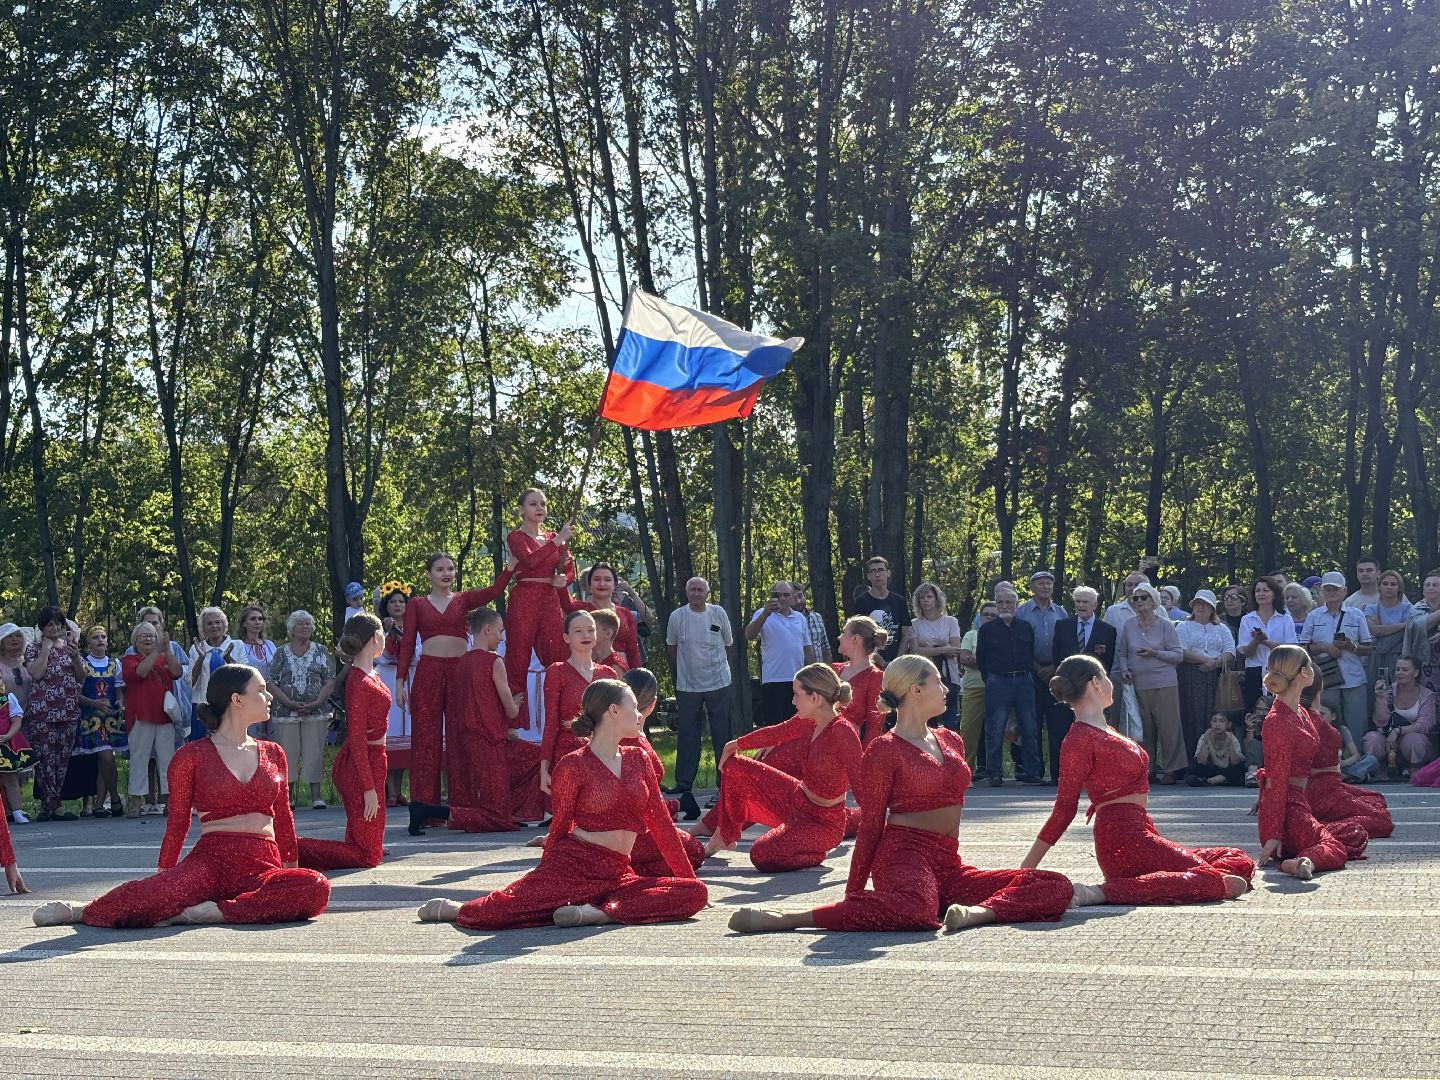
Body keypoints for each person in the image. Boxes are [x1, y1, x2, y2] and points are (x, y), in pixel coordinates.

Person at [727, 656, 1074, 934]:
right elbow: (872, 823)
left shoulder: (950, 739)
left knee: (1054, 885)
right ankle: (790, 918)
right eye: (938, 681)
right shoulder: (884, 749)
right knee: (918, 910)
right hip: (903, 856)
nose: (946, 688)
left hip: (948, 863)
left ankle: (977, 914)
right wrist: (854, 894)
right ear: (915, 690)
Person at [33, 664, 331, 928]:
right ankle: (83, 910)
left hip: (263, 865)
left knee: (315, 886)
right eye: (262, 690)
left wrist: (289, 869)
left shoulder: (274, 752)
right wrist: (162, 878)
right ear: (237, 700)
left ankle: (212, 913)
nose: (269, 697)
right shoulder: (191, 756)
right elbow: (177, 823)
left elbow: (284, 817)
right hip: (210, 862)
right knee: (146, 899)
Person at [417, 679, 707, 930]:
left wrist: (686, 876)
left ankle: (601, 913)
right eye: (634, 706)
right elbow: (560, 825)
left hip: (618, 871)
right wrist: (541, 877)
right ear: (614, 711)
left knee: (695, 892)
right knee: (497, 913)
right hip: (573, 866)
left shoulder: (638, 759)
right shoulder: (573, 765)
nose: (640, 714)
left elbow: (662, 827)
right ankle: (457, 909)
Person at [1024, 656, 1253, 903]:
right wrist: (1026, 868)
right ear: (1095, 683)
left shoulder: (1107, 730)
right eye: (1106, 677)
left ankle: (1162, 882)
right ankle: (1100, 893)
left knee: (1236, 858)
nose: (1111, 683)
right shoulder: (1078, 738)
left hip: (1143, 833)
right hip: (1121, 840)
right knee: (1209, 881)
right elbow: (1064, 809)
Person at [698, 664, 862, 871]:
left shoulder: (843, 732)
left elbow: (861, 783)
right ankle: (724, 835)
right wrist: (735, 744)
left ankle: (815, 852)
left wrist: (873, 839)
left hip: (823, 824)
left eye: (796, 694)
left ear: (815, 698)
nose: (792, 701)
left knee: (761, 854)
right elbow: (777, 732)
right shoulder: (808, 720)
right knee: (734, 765)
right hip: (796, 800)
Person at [395, 551, 515, 807]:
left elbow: (493, 592)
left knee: (461, 735)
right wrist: (399, 681)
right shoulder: (417, 603)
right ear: (428, 574)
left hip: (460, 672)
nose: (446, 573)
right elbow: (407, 643)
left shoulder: (463, 600)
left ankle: (463, 804)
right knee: (425, 738)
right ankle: (424, 806)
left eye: (450, 569)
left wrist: (510, 568)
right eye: (439, 569)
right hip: (428, 671)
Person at [409, 608, 541, 834]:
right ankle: (428, 811)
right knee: (499, 818)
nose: (501, 637)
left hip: (469, 740)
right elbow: (510, 711)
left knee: (530, 758)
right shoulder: (494, 661)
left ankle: (507, 811)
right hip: (491, 741)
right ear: (487, 630)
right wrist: (517, 702)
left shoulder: (462, 662)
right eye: (500, 631)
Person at [1253, 645, 1366, 879]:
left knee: (1354, 833)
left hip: (1301, 802)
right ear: (1304, 673)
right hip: (1288, 809)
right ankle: (1299, 861)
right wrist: (1273, 834)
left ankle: (1300, 855)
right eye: (1310, 665)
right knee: (1335, 848)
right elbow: (1276, 778)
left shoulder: (1301, 713)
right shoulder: (1277, 720)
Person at [297, 614, 389, 870]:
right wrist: (368, 788)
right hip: (360, 766)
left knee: (370, 848)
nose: (385, 639)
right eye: (383, 633)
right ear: (374, 638)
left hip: (374, 760)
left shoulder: (370, 673)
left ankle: (362, 842)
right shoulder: (358, 681)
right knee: (368, 857)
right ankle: (292, 847)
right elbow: (357, 737)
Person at [615, 667, 704, 875]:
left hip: (623, 826)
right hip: (636, 830)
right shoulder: (633, 742)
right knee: (695, 852)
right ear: (653, 703)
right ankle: (632, 866)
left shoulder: (619, 733)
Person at [665, 577, 734, 821]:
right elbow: (671, 648)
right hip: (688, 685)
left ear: (707, 592)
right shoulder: (677, 617)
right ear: (686, 592)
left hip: (719, 682)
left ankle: (725, 781)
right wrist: (686, 670)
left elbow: (728, 644)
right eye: (692, 589)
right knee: (687, 733)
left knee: (722, 733)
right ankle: (683, 784)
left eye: (700, 589)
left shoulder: (718, 613)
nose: (696, 593)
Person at [502, 487, 576, 695]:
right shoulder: (515, 537)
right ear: (522, 510)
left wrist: (564, 579)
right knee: (518, 653)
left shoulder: (554, 537)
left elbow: (571, 570)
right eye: (533, 504)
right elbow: (531, 560)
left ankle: (562, 705)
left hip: (550, 599)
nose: (540, 508)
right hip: (524, 597)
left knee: (557, 650)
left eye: (542, 504)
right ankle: (515, 715)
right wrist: (558, 539)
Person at [1114, 585, 1186, 784]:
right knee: (1143, 729)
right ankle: (1147, 768)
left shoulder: (1165, 625)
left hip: (1164, 682)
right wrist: (1125, 669)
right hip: (1137, 683)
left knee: (1169, 727)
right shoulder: (1129, 625)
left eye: (1143, 598)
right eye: (1134, 599)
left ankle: (1173, 769)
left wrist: (1156, 653)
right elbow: (1122, 652)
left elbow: (1177, 655)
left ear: (1154, 601)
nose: (1138, 602)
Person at [266, 611, 335, 810]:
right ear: (292, 629)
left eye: (308, 624)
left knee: (314, 752)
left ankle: (316, 796)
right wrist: (288, 702)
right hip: (286, 712)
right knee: (287, 754)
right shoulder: (280, 652)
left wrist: (317, 701)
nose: (305, 627)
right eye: (300, 624)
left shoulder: (320, 650)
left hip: (316, 710)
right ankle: (287, 797)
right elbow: (271, 682)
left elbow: (329, 679)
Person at [1050, 587, 1118, 784]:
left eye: (1085, 602)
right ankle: (1060, 775)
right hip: (1068, 690)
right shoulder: (1062, 626)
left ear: (1095, 605)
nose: (1081, 605)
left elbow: (1107, 663)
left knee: (1094, 733)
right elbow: (1057, 658)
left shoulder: (1107, 631)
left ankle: (1094, 775)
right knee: (1061, 731)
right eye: (1078, 601)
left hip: (1092, 692)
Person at [976, 588, 1044, 786]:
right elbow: (982, 659)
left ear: (1016, 605)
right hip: (998, 681)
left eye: (1009, 603)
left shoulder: (1025, 627)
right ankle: (994, 773)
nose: (1005, 606)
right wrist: (991, 679)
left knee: (1030, 727)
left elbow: (1030, 653)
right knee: (995, 728)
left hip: (1024, 681)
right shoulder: (987, 630)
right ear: (996, 605)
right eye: (1001, 603)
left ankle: (1033, 772)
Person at [23, 607, 85, 821]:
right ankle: (55, 806)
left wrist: (76, 658)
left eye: (58, 624)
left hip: (67, 711)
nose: (55, 628)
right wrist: (46, 650)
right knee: (44, 760)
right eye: (50, 624)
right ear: (42, 627)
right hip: (42, 713)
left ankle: (48, 805)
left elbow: (80, 678)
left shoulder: (70, 647)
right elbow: (36, 674)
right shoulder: (33, 648)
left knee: (61, 760)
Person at [1299, 571, 1373, 749]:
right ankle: (1326, 762)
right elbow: (1302, 648)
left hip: (1353, 677)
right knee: (1323, 721)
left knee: (1357, 723)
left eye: (1335, 589)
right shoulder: (1313, 616)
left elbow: (1368, 648)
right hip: (1325, 678)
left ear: (1344, 591)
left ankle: (1358, 765)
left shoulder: (1357, 615)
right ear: (1322, 591)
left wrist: (1350, 646)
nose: (1331, 592)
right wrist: (1324, 647)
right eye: (1327, 589)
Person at [122, 622, 184, 817]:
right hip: (140, 715)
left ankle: (170, 800)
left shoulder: (164, 657)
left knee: (168, 760)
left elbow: (177, 672)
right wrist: (156, 652)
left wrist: (168, 651)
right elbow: (139, 673)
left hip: (164, 716)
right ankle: (136, 801)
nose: (148, 639)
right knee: (139, 759)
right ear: (135, 640)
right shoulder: (129, 659)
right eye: (144, 636)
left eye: (152, 635)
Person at [1306, 701, 1391, 837]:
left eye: (1322, 714)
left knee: (1376, 795)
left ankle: (1352, 775)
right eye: (1315, 714)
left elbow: (1355, 755)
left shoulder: (1338, 731)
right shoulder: (1307, 733)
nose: (1319, 717)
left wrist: (1341, 763)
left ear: (1333, 716)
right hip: (1325, 787)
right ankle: (1353, 777)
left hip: (1341, 772)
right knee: (1382, 820)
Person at [745, 581, 816, 728]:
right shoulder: (762, 614)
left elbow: (807, 648)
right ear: (772, 596)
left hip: (797, 680)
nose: (783, 598)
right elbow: (749, 635)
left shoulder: (800, 618)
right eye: (778, 595)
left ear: (792, 597)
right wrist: (766, 613)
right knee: (775, 726)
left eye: (786, 595)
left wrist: (812, 676)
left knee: (797, 725)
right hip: (773, 680)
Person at [1175, 590, 1237, 759]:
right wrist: (1202, 659)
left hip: (1216, 676)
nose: (1200, 607)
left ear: (1212, 608)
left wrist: (1214, 663)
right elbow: (1181, 650)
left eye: (1205, 604)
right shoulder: (1183, 626)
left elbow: (1231, 651)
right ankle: (1191, 760)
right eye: (1197, 603)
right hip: (1190, 676)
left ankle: (1217, 759)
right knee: (1190, 715)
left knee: (1216, 713)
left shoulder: (1221, 628)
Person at [1018, 570, 1068, 775]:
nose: (1045, 587)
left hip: (1056, 672)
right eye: (1041, 583)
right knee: (1032, 724)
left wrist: (1055, 667)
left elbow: (1067, 642)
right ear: (1032, 587)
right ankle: (1034, 772)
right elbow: (1019, 644)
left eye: (1049, 583)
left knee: (1058, 725)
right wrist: (1038, 668)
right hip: (1031, 673)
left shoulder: (1061, 612)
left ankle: (1058, 773)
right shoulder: (1022, 612)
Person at [555, 562, 643, 671]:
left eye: (607, 580)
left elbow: (633, 650)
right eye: (597, 579)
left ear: (615, 584)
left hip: (620, 674)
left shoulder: (625, 614)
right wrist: (561, 579)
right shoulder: (580, 609)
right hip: (588, 673)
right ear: (590, 584)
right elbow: (564, 602)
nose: (602, 583)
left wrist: (638, 678)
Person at [75, 625, 124, 818]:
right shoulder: (83, 664)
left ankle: (98, 804)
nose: (100, 640)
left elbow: (119, 690)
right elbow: (76, 695)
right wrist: (95, 703)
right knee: (106, 757)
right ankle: (115, 798)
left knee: (105, 761)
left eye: (103, 636)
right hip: (91, 719)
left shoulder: (115, 664)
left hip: (111, 717)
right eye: (95, 637)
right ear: (88, 643)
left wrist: (120, 701)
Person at [374, 581, 412, 806]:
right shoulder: (379, 628)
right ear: (385, 606)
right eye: (393, 602)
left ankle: (400, 791)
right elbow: (382, 656)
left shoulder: (416, 627)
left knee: (407, 738)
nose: (398, 605)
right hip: (388, 678)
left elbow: (417, 652)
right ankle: (391, 791)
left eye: (401, 601)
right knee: (392, 734)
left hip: (408, 680)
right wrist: (391, 632)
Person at [1365, 656, 1434, 780]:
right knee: (1372, 738)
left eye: (1405, 669)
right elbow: (1380, 722)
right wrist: (1380, 698)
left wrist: (1398, 731)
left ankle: (1414, 771)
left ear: (1416, 673)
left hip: (1410, 744)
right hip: (1387, 741)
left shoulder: (1427, 695)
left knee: (1414, 739)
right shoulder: (1389, 690)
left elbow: (1425, 724)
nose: (1400, 673)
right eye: (1397, 669)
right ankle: (1379, 770)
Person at [908, 582, 963, 731]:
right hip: (924, 675)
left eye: (929, 597)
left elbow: (956, 649)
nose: (925, 600)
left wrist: (930, 649)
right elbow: (916, 650)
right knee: (928, 722)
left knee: (950, 722)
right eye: (922, 597)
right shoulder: (914, 624)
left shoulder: (951, 621)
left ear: (936, 599)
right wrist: (943, 649)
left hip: (949, 674)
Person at [187, 608, 247, 741]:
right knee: (202, 750)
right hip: (203, 708)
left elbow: (246, 677)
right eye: (209, 623)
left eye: (218, 622)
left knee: (230, 747)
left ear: (224, 624)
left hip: (231, 706)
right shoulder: (196, 648)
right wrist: (201, 658)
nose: (214, 626)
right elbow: (190, 682)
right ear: (203, 628)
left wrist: (229, 659)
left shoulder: (237, 645)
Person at [1238, 576, 1295, 712]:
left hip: (1281, 671)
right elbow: (1246, 652)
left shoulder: (1285, 618)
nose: (1261, 594)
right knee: (1254, 711)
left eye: (1265, 590)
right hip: (1255, 671)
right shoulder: (1247, 619)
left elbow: (1291, 649)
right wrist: (1256, 641)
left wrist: (1264, 641)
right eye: (1258, 591)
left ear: (1274, 594)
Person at [955, 602, 996, 772]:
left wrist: (976, 659)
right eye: (986, 614)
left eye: (994, 615)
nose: (989, 618)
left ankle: (993, 770)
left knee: (996, 730)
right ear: (980, 616)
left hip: (997, 686)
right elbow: (964, 658)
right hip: (973, 687)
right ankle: (966, 769)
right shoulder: (971, 635)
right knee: (968, 729)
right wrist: (991, 662)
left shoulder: (1002, 634)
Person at [847, 556, 910, 665]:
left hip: (898, 663)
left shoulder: (900, 601)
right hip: (871, 663)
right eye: (873, 571)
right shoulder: (861, 602)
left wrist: (897, 661)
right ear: (868, 576)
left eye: (881, 570)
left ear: (888, 573)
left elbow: (905, 635)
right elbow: (860, 636)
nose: (877, 574)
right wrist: (881, 662)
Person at [833, 617, 886, 746]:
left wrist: (865, 760)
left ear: (855, 639)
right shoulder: (833, 669)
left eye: (844, 632)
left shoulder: (876, 677)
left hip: (849, 748)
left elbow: (874, 726)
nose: (839, 637)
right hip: (819, 743)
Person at [1364, 570, 1412, 690]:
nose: (1389, 587)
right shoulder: (1371, 608)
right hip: (1377, 658)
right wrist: (1403, 625)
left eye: (1393, 584)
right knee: (1377, 694)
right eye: (1385, 584)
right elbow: (1375, 630)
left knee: (1400, 692)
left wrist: (1384, 629)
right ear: (1379, 586)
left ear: (1399, 587)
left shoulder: (1408, 608)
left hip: (1401, 657)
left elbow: (1409, 631)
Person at [0, 673, 36, 824]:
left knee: (11, 779)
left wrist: (8, 735)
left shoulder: (8, 699)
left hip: (5, 745)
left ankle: (17, 812)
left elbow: (16, 721)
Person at [1401, 568, 1440, 700]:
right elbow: (1420, 624)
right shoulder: (1416, 608)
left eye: (1435, 585)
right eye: (1427, 585)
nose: (1431, 588)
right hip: (1424, 665)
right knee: (1428, 701)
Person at [1185, 713, 1247, 786]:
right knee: (1193, 768)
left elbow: (1235, 763)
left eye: (1221, 721)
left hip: (1227, 770)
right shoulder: (1205, 737)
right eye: (1214, 721)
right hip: (1211, 769)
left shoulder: (1231, 737)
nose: (1217, 724)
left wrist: (1229, 744)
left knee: (1241, 767)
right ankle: (1222, 779)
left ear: (1228, 724)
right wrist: (1205, 742)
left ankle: (1211, 780)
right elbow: (1201, 762)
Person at [793, 587, 832, 664]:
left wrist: (827, 671)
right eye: (794, 598)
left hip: (817, 671)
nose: (798, 601)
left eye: (800, 596)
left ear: (805, 596)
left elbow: (825, 647)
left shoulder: (817, 617)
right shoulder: (786, 622)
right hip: (797, 672)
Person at [235, 605, 275, 672]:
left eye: (260, 619)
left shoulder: (270, 645)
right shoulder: (239, 646)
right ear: (244, 623)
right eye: (253, 619)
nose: (257, 622)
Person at [590, 608, 628, 673]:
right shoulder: (593, 660)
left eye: (592, 630)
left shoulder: (616, 666)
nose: (586, 634)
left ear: (608, 633)